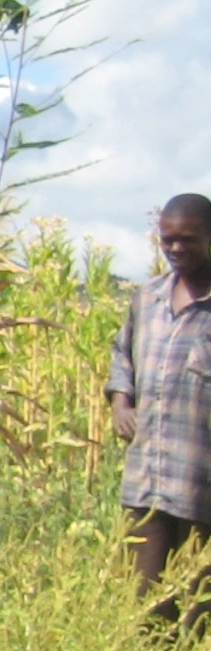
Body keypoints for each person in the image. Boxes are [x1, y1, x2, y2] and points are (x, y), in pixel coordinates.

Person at [109, 194, 211, 623]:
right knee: (143, 608)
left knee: (197, 610)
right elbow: (122, 357)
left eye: (187, 239)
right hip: (146, 480)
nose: (175, 249)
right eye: (167, 240)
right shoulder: (147, 299)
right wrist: (120, 403)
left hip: (200, 486)